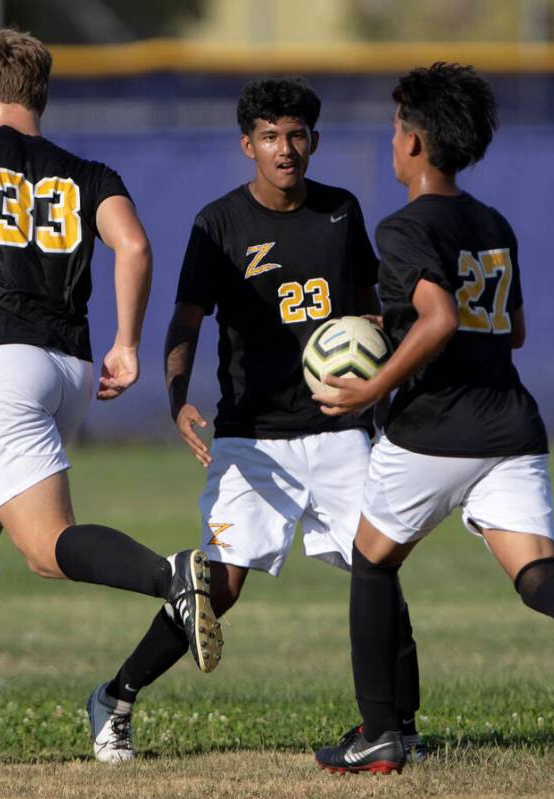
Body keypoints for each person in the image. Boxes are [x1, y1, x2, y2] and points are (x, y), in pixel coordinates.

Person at [0, 27, 221, 751]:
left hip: (2, 364)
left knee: (43, 545)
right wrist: (125, 342)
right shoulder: (89, 171)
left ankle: (172, 575)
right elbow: (135, 245)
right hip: (71, 370)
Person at [313, 63, 554, 780]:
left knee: (371, 562)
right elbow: (512, 332)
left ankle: (379, 732)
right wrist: (401, 324)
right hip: (509, 424)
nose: (390, 140)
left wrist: (368, 387)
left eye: (393, 128)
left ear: (413, 144)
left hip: (433, 429)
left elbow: (440, 316)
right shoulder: (490, 221)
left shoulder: (404, 225)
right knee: (537, 573)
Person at [84, 77, 425, 763]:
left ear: (313, 141)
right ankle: (115, 696)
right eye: (269, 135)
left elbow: (369, 308)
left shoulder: (341, 210)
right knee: (218, 587)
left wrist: (374, 371)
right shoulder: (218, 224)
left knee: (378, 566)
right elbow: (186, 319)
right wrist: (178, 396)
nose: (284, 148)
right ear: (247, 144)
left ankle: (400, 726)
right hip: (251, 436)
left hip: (338, 430)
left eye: (296, 134)